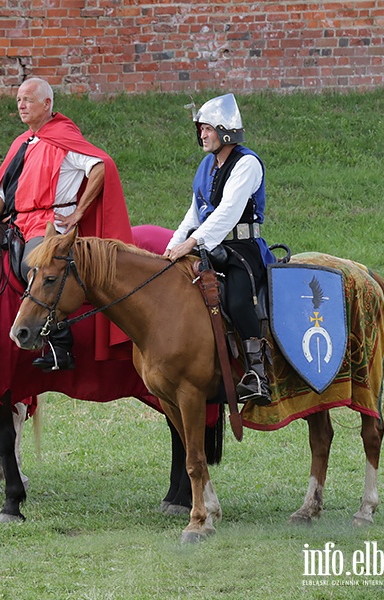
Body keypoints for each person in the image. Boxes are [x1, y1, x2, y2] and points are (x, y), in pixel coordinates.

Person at [0, 77, 133, 372]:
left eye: (28, 100)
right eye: (19, 99)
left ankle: (61, 346)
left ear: (47, 104)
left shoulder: (64, 137)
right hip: (14, 221)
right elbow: (2, 190)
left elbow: (102, 165)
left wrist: (78, 213)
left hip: (48, 225)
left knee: (34, 266)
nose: (21, 105)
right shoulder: (21, 141)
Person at [163, 93, 275, 405]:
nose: (202, 134)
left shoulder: (247, 163)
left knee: (238, 300)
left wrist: (193, 242)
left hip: (243, 250)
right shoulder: (206, 166)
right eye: (200, 129)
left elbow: (227, 211)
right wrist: (172, 249)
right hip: (211, 248)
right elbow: (194, 212)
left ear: (226, 130)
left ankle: (257, 374)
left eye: (207, 129)